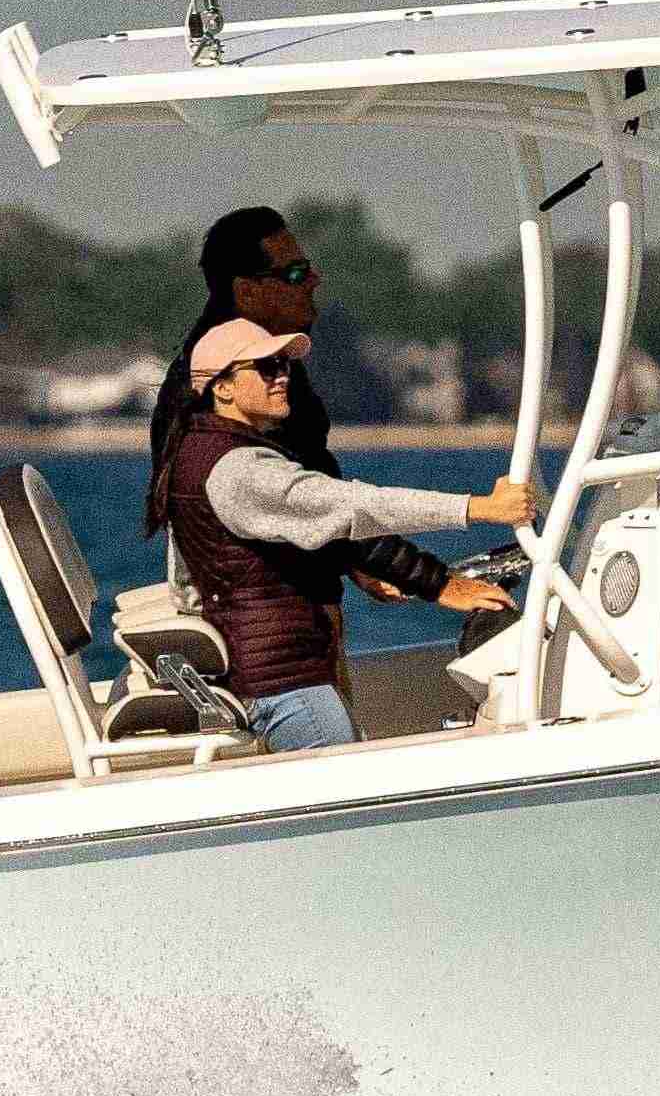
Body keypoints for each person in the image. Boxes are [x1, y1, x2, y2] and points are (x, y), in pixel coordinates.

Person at [154, 317, 529, 753]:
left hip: (266, 676)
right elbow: (351, 506)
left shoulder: (198, 456)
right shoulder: (239, 469)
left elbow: (254, 552)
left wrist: (368, 569)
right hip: (287, 686)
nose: (282, 377)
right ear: (222, 388)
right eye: (266, 367)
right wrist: (478, 507)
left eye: (284, 366)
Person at [142, 204, 459, 614]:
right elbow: (309, 502)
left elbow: (305, 496)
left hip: (275, 608)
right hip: (257, 619)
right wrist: (438, 582)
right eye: (294, 273)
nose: (314, 280)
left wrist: (355, 562)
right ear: (247, 291)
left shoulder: (263, 369)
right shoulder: (233, 386)